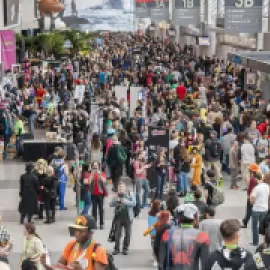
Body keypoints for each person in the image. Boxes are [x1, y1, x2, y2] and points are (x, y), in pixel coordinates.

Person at [41, 215, 108, 270]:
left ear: (90, 232)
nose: (77, 233)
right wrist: (45, 264)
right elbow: (59, 267)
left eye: (81, 231)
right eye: (76, 230)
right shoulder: (71, 245)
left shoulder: (98, 250)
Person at [158, 204, 210, 270]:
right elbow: (205, 265)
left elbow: (161, 263)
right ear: (195, 218)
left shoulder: (167, 234)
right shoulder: (202, 236)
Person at [109, 182, 136, 255]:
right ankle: (116, 249)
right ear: (118, 188)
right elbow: (110, 204)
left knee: (128, 234)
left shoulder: (130, 194)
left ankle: (125, 248)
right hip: (118, 217)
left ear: (125, 188)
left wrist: (126, 201)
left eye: (122, 187)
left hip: (128, 217)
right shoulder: (116, 195)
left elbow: (134, 203)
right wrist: (115, 199)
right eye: (120, 187)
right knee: (117, 234)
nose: (121, 188)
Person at [250, 171, 270, 246]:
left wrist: (252, 203)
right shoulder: (268, 187)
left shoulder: (257, 187)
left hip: (256, 209)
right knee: (265, 226)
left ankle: (255, 242)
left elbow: (252, 199)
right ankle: (266, 242)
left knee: (254, 226)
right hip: (265, 209)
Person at [241, 163, 261, 229]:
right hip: (256, 197)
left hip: (251, 197)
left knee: (249, 210)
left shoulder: (252, 179)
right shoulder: (258, 178)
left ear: (252, 171)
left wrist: (249, 196)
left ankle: (245, 221)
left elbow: (250, 189)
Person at [90, 161, 107, 230]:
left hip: (100, 194)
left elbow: (104, 181)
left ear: (99, 166)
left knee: (101, 209)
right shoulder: (91, 173)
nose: (95, 167)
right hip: (93, 193)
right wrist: (91, 174)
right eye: (94, 165)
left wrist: (100, 174)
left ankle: (101, 223)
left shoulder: (102, 173)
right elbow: (89, 181)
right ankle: (94, 223)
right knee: (94, 209)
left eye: (96, 165)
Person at [147, 199, 161, 268]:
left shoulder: (151, 213)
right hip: (154, 233)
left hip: (156, 233)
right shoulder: (152, 215)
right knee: (154, 246)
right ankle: (155, 259)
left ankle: (155, 257)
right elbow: (150, 225)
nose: (160, 206)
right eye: (159, 205)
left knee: (155, 246)